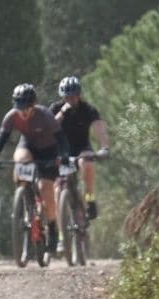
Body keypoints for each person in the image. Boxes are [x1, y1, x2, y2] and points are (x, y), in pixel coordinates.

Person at [0, 83, 72, 254]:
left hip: (48, 150)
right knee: (20, 160)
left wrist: (64, 155)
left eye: (26, 107)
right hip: (28, 145)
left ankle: (52, 228)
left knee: (46, 189)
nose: (23, 111)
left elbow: (61, 138)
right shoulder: (11, 116)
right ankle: (23, 193)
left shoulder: (45, 115)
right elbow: (1, 139)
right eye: (19, 107)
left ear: (33, 105)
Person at [48, 76, 111, 220]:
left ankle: (90, 198)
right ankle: (62, 236)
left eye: (74, 96)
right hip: (61, 152)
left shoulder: (88, 109)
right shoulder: (55, 108)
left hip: (81, 148)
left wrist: (104, 147)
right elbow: (49, 127)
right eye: (67, 97)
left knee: (87, 163)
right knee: (57, 191)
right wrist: (63, 112)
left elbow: (99, 129)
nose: (71, 100)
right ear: (62, 97)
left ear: (79, 95)